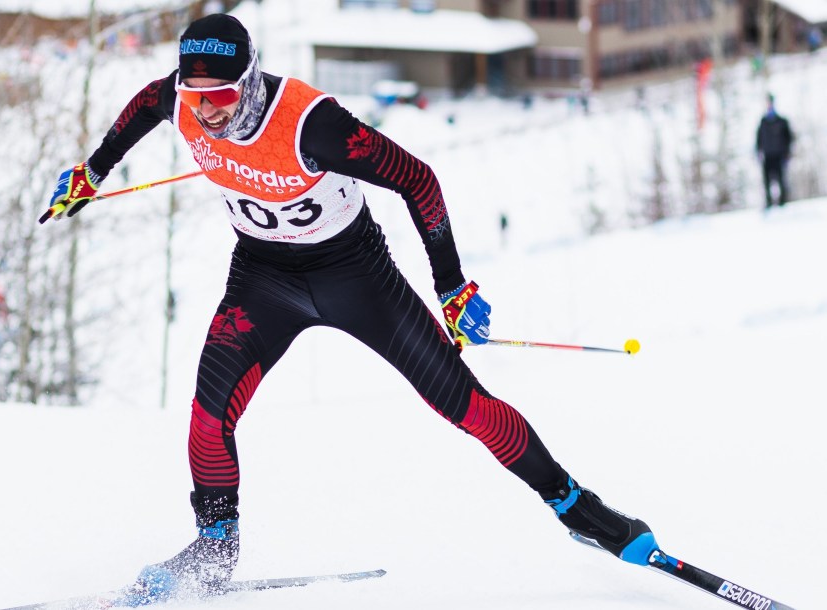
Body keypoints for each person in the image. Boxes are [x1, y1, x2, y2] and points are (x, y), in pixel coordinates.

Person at [43, 14, 657, 602]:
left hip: (355, 275)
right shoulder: (180, 100)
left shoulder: (313, 124)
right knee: (208, 415)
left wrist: (452, 286)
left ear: (250, 81)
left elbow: (419, 180)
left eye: (222, 97)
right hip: (263, 278)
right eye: (195, 96)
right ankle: (215, 547)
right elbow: (147, 104)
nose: (205, 112)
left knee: (466, 407)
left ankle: (576, 506)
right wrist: (92, 173)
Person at [755, 93, 794, 209]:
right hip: (767, 155)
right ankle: (769, 203)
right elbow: (759, 138)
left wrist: (787, 153)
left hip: (779, 155)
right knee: (767, 181)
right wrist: (758, 151)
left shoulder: (782, 121)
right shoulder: (763, 121)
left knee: (781, 180)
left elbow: (789, 138)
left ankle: (783, 202)